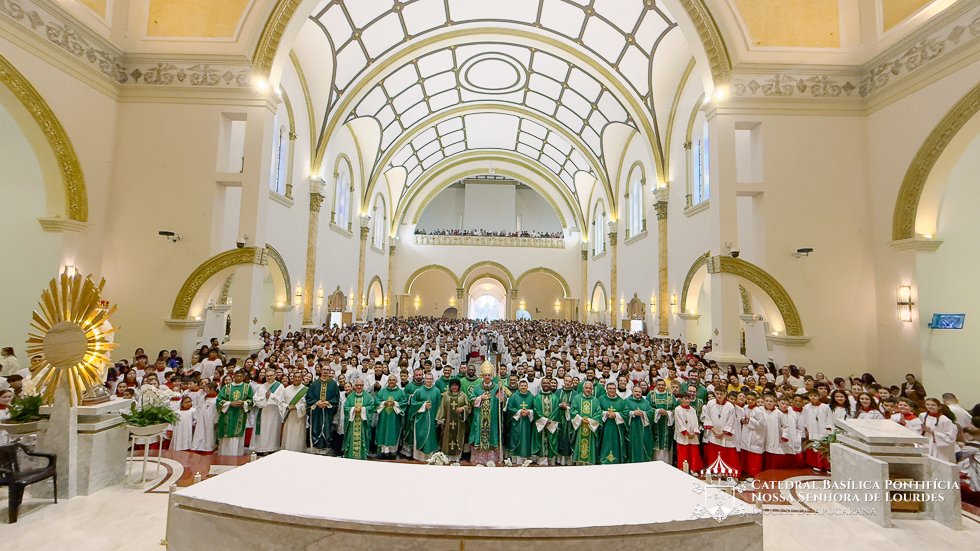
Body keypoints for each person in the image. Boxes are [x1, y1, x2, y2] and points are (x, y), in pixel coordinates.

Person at [468, 361, 505, 464]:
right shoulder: (477, 388)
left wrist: (501, 396)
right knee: (480, 434)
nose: (487, 377)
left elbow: (502, 401)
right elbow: (471, 400)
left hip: (493, 417)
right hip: (480, 417)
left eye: (489, 375)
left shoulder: (496, 387)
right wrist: (481, 397)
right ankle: (480, 458)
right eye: (485, 375)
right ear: (482, 376)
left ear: (491, 375)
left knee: (492, 434)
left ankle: (492, 458)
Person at [701, 388, 740, 476]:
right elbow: (707, 417)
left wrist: (723, 433)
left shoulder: (730, 406)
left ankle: (726, 472)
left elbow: (731, 422)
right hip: (713, 432)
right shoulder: (710, 403)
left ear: (725, 394)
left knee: (726, 453)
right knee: (714, 452)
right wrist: (714, 430)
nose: (719, 396)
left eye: (721, 394)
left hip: (725, 435)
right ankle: (715, 471)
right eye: (717, 393)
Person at [215, 370, 254, 456]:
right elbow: (219, 401)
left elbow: (251, 400)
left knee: (237, 436)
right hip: (227, 414)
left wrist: (243, 402)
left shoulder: (247, 387)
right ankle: (224, 456)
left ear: (243, 377)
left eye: (241, 376)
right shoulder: (227, 387)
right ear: (234, 376)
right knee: (226, 436)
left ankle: (237, 456)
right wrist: (230, 403)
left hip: (240, 414)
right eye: (237, 376)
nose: (239, 377)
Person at [409, 372, 442, 461]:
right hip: (420, 419)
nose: (428, 380)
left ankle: (430, 457)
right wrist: (423, 405)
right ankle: (419, 457)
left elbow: (439, 405)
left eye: (430, 379)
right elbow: (413, 403)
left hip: (432, 419)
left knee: (431, 438)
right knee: (420, 436)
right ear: (424, 379)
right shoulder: (418, 391)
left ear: (433, 380)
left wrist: (438, 419)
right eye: (427, 379)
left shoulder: (437, 391)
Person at [306, 367, 340, 454]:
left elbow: (336, 397)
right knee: (316, 427)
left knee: (326, 428)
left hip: (328, 411)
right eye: (324, 370)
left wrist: (328, 402)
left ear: (330, 371)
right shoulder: (314, 384)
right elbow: (309, 397)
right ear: (320, 371)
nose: (325, 371)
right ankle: (316, 447)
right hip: (316, 411)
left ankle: (326, 447)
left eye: (327, 370)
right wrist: (316, 402)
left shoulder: (333, 384)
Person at [436, 378, 470, 462]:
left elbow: (468, 407)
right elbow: (442, 408)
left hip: (459, 424)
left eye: (456, 385)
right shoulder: (445, 395)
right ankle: (446, 457)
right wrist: (441, 420)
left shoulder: (463, 395)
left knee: (458, 439)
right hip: (447, 424)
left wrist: (463, 409)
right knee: (446, 439)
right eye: (452, 385)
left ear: (459, 386)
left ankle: (457, 457)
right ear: (450, 386)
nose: (454, 387)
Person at [374, 375, 408, 458]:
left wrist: (395, 403)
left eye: (393, 380)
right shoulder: (382, 391)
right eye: (390, 380)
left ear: (396, 381)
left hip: (395, 420)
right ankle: (383, 452)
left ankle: (393, 452)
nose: (391, 381)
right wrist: (383, 403)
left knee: (393, 434)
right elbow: (376, 401)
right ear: (387, 381)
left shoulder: (401, 392)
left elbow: (404, 403)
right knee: (383, 433)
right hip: (383, 419)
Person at [253, 368, 285, 454]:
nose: (269, 377)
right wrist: (265, 397)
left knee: (272, 430)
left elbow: (281, 399)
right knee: (263, 430)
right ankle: (261, 448)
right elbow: (255, 398)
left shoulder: (280, 386)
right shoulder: (262, 386)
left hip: (274, 412)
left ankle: (272, 448)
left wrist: (271, 395)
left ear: (275, 376)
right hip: (263, 411)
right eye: (267, 376)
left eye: (271, 375)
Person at [570, 381, 601, 465]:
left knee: (590, 445)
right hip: (579, 426)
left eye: (590, 388)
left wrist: (590, 421)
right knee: (579, 444)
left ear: (592, 389)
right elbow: (573, 410)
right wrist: (580, 419)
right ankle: (579, 463)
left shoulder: (595, 400)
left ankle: (589, 463)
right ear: (583, 388)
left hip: (590, 427)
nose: (588, 389)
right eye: (586, 388)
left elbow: (598, 413)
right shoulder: (577, 398)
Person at [800, 391, 832, 471]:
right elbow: (804, 419)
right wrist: (806, 429)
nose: (813, 397)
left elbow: (829, 418)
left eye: (815, 395)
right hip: (812, 429)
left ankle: (827, 466)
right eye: (811, 396)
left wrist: (828, 428)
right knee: (814, 446)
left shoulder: (825, 407)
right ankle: (817, 465)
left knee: (823, 447)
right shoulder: (806, 407)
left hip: (823, 429)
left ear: (819, 397)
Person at [342, 379, 375, 459]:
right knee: (351, 438)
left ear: (363, 386)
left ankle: (362, 456)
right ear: (354, 386)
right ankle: (350, 456)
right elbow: (345, 407)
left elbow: (372, 407)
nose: (359, 387)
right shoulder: (350, 396)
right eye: (357, 385)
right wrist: (353, 409)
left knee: (362, 437)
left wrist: (362, 409)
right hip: (352, 422)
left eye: (361, 385)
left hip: (363, 423)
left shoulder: (368, 396)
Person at [506, 379, 537, 463]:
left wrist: (529, 412)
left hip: (527, 422)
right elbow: (509, 408)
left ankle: (526, 457)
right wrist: (519, 411)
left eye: (525, 386)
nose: (523, 387)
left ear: (527, 387)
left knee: (526, 438)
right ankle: (515, 458)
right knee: (516, 437)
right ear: (519, 387)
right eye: (521, 386)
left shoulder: (532, 397)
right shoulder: (513, 396)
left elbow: (535, 408)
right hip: (516, 422)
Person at [920, 397, 958, 463]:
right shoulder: (922, 416)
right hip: (926, 444)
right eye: (927, 404)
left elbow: (950, 437)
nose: (930, 407)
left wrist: (932, 432)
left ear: (939, 407)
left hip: (938, 446)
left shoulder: (945, 420)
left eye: (933, 405)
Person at [533, 377, 561, 465]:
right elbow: (536, 410)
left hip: (551, 424)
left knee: (551, 441)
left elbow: (556, 410)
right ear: (541, 384)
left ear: (550, 384)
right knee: (540, 441)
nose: (546, 385)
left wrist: (549, 420)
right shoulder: (537, 398)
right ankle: (542, 461)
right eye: (544, 383)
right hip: (540, 424)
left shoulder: (555, 397)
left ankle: (551, 461)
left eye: (547, 383)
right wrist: (544, 420)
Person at [674, 393, 703, 473]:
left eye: (688, 399)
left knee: (693, 452)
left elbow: (695, 422)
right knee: (683, 453)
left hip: (693, 435)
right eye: (685, 399)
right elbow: (679, 423)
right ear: (681, 399)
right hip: (683, 435)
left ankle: (693, 469)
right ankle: (683, 470)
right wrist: (686, 433)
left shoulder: (693, 410)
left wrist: (694, 432)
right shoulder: (678, 409)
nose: (687, 401)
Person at [737, 392, 765, 479]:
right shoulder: (745, 408)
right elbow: (742, 418)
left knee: (753, 455)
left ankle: (753, 473)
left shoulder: (758, 411)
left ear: (755, 400)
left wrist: (750, 419)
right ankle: (745, 471)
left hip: (754, 435)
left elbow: (761, 424)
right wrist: (743, 420)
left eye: (752, 400)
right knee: (745, 453)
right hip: (745, 433)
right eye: (748, 399)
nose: (750, 401)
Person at [648, 378, 675, 463]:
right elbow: (647, 408)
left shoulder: (670, 395)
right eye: (659, 385)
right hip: (655, 424)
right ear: (656, 385)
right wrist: (657, 411)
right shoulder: (651, 395)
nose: (661, 386)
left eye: (662, 385)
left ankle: (667, 462)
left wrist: (667, 413)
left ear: (665, 386)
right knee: (655, 443)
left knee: (666, 444)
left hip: (667, 424)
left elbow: (675, 409)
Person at [280, 371, 308, 452]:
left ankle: (298, 451)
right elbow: (281, 402)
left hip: (299, 416)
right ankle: (286, 450)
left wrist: (296, 407)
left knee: (298, 434)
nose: (297, 379)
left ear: (302, 378)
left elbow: (306, 403)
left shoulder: (305, 390)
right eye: (295, 377)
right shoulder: (286, 389)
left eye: (299, 377)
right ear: (292, 378)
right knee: (287, 433)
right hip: (288, 415)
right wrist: (287, 406)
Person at [624, 385, 653, 463]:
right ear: (632, 392)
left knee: (644, 444)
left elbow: (651, 412)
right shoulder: (627, 401)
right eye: (636, 391)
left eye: (639, 392)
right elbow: (624, 412)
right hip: (632, 428)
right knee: (632, 445)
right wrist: (633, 413)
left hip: (644, 428)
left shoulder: (646, 402)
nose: (638, 393)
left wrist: (644, 413)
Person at [191, 381, 218, 452]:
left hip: (210, 419)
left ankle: (208, 447)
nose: (205, 390)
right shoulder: (203, 397)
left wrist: (216, 421)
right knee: (199, 432)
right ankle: (198, 446)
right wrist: (196, 417)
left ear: (212, 389)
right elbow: (198, 407)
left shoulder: (217, 399)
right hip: (201, 418)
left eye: (207, 388)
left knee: (209, 433)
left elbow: (217, 411)